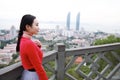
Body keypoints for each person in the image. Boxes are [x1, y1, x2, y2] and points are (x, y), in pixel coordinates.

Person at [16, 14, 48, 80]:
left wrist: (38, 47)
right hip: (33, 76)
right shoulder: (28, 43)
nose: (38, 28)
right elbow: (38, 67)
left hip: (29, 74)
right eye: (36, 25)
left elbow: (30, 57)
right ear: (28, 27)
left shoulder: (24, 40)